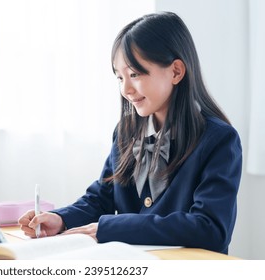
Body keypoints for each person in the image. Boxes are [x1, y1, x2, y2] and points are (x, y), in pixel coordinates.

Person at [18, 11, 242, 254]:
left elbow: (210, 229)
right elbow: (101, 198)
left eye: (135, 74)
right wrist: (59, 219)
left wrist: (112, 227)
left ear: (176, 71)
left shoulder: (218, 139)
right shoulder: (126, 131)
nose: (126, 89)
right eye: (119, 77)